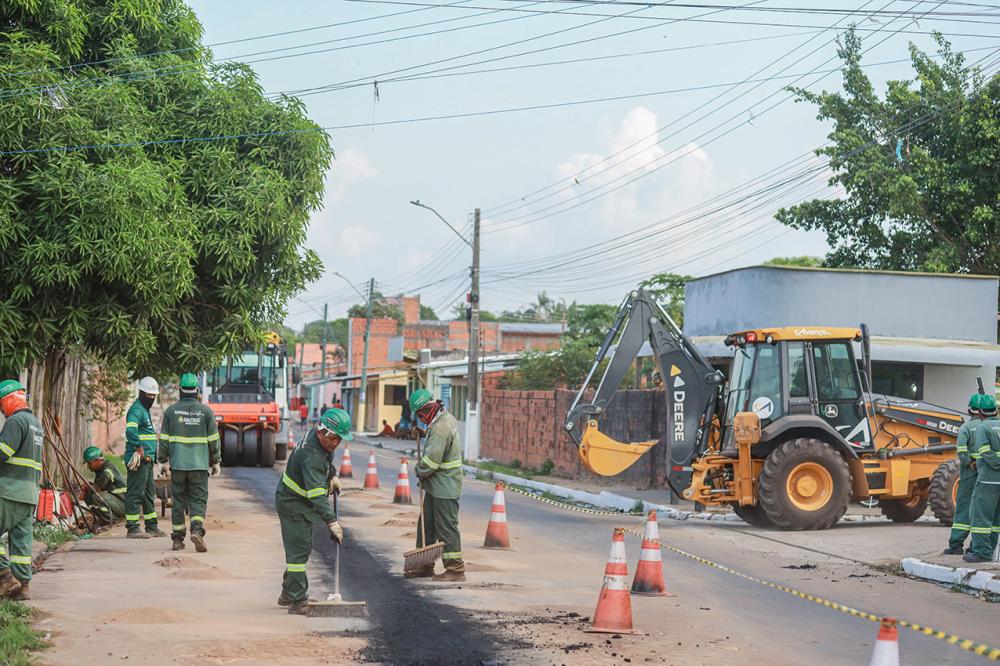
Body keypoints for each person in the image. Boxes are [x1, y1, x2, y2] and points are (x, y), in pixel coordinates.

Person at [275, 407, 350, 614]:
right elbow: (316, 495)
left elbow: (326, 460)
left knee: (301, 547)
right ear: (322, 432)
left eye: (339, 440)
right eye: (334, 439)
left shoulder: (318, 439)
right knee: (298, 550)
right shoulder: (311, 455)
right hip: (292, 503)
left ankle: (288, 592)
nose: (336, 444)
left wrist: (332, 475)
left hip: (298, 501)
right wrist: (331, 521)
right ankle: (298, 600)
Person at [159, 373, 220, 553]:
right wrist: (216, 461)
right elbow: (214, 440)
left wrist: (162, 459)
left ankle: (178, 540)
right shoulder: (206, 412)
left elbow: (163, 440)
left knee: (178, 502)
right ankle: (197, 530)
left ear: (180, 391)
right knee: (198, 500)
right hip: (200, 466)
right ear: (197, 391)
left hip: (178, 465)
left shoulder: (171, 412)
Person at [408, 389, 465, 582]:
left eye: (420, 416)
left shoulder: (440, 428)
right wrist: (424, 433)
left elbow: (431, 462)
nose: (421, 419)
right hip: (436, 486)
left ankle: (455, 569)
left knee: (446, 528)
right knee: (427, 525)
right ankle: (424, 565)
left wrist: (418, 469)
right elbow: (437, 440)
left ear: (426, 410)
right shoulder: (443, 419)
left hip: (445, 486)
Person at [0, 380, 43, 600]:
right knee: (21, 541)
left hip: (9, 491)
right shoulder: (35, 423)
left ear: (9, 399)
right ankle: (22, 586)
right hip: (29, 494)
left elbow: (3, 452)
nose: (1, 409)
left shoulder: (15, 422)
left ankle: (4, 577)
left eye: (1, 404)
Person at [124, 377, 165, 539]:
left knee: (149, 493)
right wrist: (139, 448)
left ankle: (152, 526)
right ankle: (132, 528)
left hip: (147, 460)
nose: (152, 399)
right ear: (141, 393)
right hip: (139, 458)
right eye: (149, 395)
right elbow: (131, 430)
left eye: (154, 396)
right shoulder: (136, 410)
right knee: (135, 492)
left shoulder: (144, 409)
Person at [944, 394, 984, 555]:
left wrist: (970, 463)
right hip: (986, 474)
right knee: (982, 510)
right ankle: (976, 546)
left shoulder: (966, 428)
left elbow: (961, 451)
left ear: (969, 409)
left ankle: (956, 545)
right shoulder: (990, 427)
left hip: (969, 474)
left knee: (963, 509)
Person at [965, 395, 1000, 563]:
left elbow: (985, 451)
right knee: (996, 518)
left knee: (979, 517)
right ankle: (991, 549)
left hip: (988, 480)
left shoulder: (982, 428)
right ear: (996, 410)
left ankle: (981, 552)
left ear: (979, 413)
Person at [82, 446, 127, 521]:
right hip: (119, 502)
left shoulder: (107, 470)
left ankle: (113, 520)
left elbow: (98, 488)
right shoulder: (99, 471)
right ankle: (105, 518)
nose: (88, 466)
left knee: (97, 496)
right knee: (90, 495)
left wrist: (87, 486)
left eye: (89, 463)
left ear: (97, 460)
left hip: (125, 505)